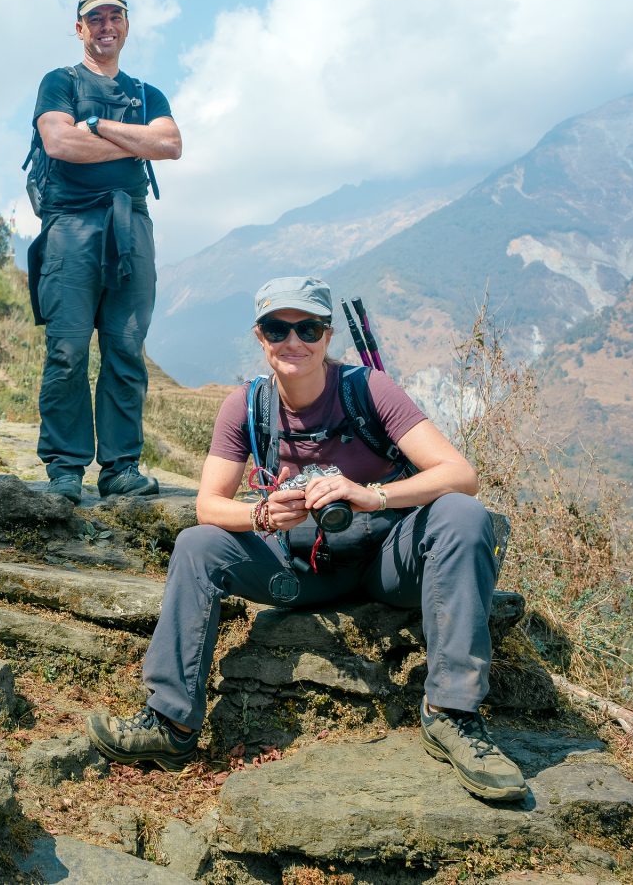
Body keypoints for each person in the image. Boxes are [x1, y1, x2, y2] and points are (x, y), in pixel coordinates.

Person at [83, 275, 527, 803]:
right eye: (278, 328)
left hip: (387, 562)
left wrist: (372, 496)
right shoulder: (247, 406)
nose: (294, 342)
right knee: (197, 545)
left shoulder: (367, 391)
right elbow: (209, 506)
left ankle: (453, 714)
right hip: (294, 569)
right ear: (260, 337)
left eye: (308, 328)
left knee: (462, 513)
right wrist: (265, 515)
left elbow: (460, 473)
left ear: (327, 336)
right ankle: (170, 722)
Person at [28, 0, 181, 503]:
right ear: (80, 28)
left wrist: (98, 126)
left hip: (131, 229)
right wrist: (129, 142)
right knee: (68, 348)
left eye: (115, 16)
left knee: (125, 347)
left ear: (127, 26)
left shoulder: (147, 93)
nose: (106, 26)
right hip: (69, 226)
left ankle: (120, 468)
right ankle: (66, 469)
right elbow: (59, 142)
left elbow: (169, 144)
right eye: (95, 19)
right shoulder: (59, 82)